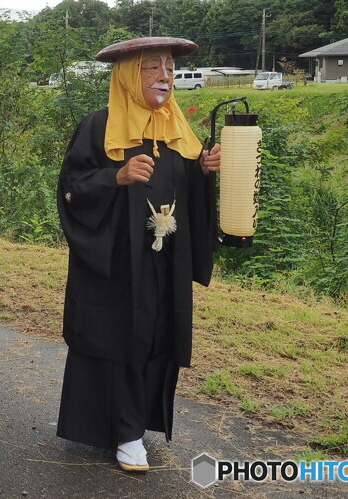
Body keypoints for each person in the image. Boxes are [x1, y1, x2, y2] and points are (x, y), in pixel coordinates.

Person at [55, 37, 221, 472]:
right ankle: (126, 433)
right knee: (122, 338)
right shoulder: (99, 125)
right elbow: (72, 190)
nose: (164, 76)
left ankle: (139, 424)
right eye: (152, 67)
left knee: (157, 337)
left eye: (168, 68)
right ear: (130, 76)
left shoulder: (178, 128)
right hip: (116, 261)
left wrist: (203, 170)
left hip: (165, 259)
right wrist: (117, 177)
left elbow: (185, 189)